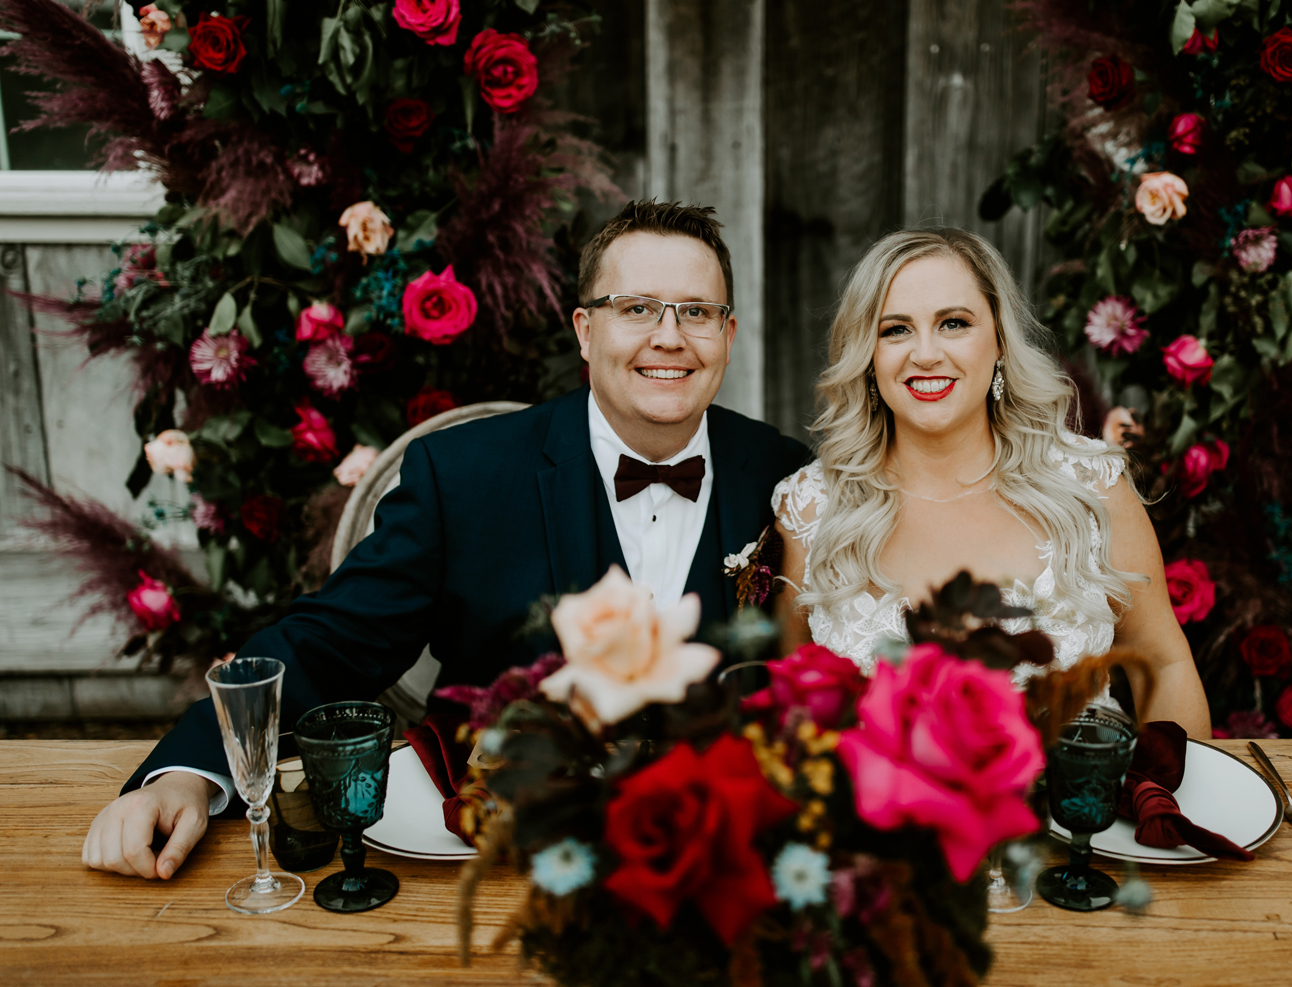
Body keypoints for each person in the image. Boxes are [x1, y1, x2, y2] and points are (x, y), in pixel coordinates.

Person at [83, 200, 810, 879]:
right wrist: (185, 771)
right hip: (486, 864)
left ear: (728, 333)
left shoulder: (790, 481)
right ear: (586, 330)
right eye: (638, 308)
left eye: (696, 311)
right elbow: (330, 641)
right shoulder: (465, 475)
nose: (669, 335)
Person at [772, 228, 1210, 736]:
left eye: (954, 323)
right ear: (868, 356)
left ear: (1000, 340)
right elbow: (795, 711)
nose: (926, 353)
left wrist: (1166, 806)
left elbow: (1165, 664)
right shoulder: (811, 511)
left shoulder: (1090, 487)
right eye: (895, 330)